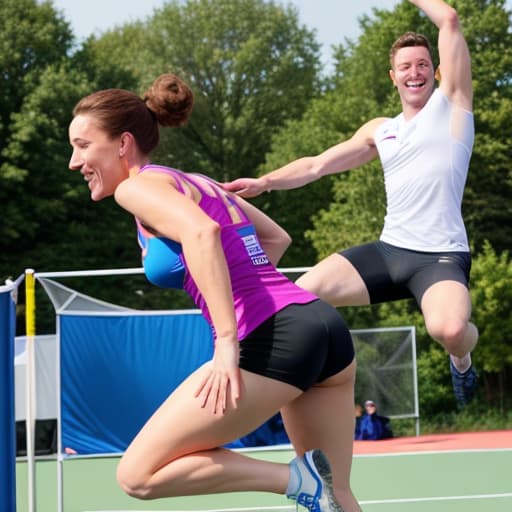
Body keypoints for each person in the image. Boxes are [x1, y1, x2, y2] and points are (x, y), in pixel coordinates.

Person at [67, 73, 362, 512]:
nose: (75, 162)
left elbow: (201, 233)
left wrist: (228, 342)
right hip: (320, 327)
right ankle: (309, 482)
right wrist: (256, 298)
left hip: (271, 336)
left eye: (83, 145)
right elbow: (276, 239)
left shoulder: (137, 187)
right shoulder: (195, 182)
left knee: (137, 474)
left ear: (123, 143)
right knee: (336, 495)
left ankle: (296, 478)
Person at [223, 0, 478, 408]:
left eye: (423, 64)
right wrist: (265, 182)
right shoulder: (382, 130)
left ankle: (462, 358)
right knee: (295, 295)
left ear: (437, 71)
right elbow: (317, 165)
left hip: (440, 256)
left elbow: (448, 18)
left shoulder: (454, 108)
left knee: (448, 329)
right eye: (406, 67)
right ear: (393, 76)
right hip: (389, 251)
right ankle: (301, 380)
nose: (415, 73)